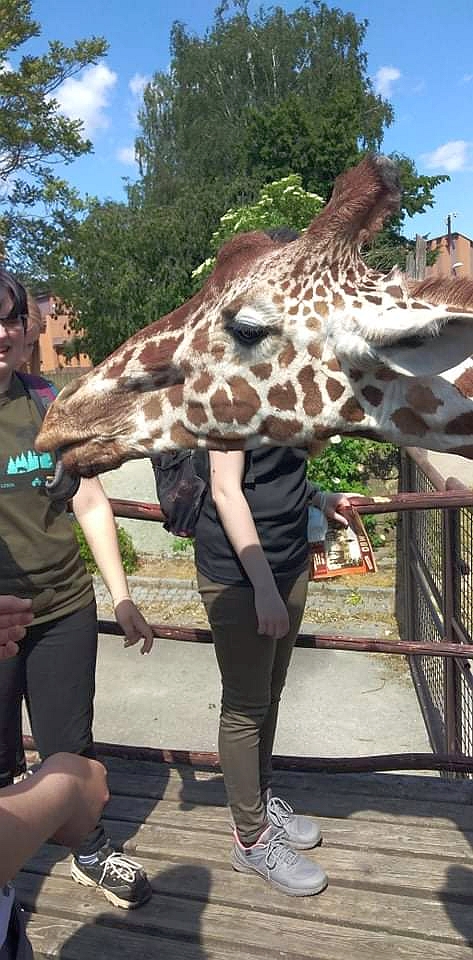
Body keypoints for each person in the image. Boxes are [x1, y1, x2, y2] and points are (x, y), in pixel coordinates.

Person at [0, 268, 154, 910]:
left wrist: (121, 596)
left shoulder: (47, 403)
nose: (0, 333)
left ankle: (89, 850)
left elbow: (89, 500)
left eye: (9, 319)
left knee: (69, 743)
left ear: (26, 329)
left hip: (63, 605)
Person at [194, 444, 352, 897]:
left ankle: (260, 804)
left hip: (289, 561)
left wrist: (317, 496)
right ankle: (251, 840)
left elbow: (282, 467)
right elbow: (226, 490)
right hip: (239, 576)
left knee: (269, 693)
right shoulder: (231, 404)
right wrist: (264, 589)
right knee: (245, 706)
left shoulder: (286, 403)